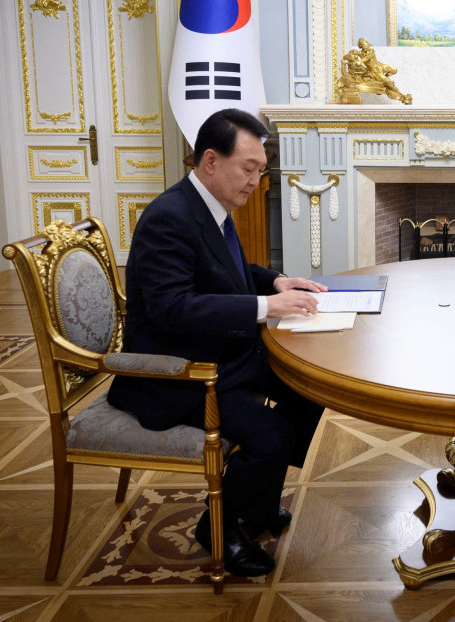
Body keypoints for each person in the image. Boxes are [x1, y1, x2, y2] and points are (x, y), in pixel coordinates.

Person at [107, 108, 329, 576]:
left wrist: (277, 282)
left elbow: (228, 275)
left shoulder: (211, 206)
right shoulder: (168, 218)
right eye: (249, 169)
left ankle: (257, 504)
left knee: (311, 389)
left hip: (220, 353)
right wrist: (266, 309)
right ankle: (219, 527)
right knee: (272, 436)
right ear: (211, 160)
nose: (255, 181)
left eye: (261, 171)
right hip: (177, 372)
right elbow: (174, 309)